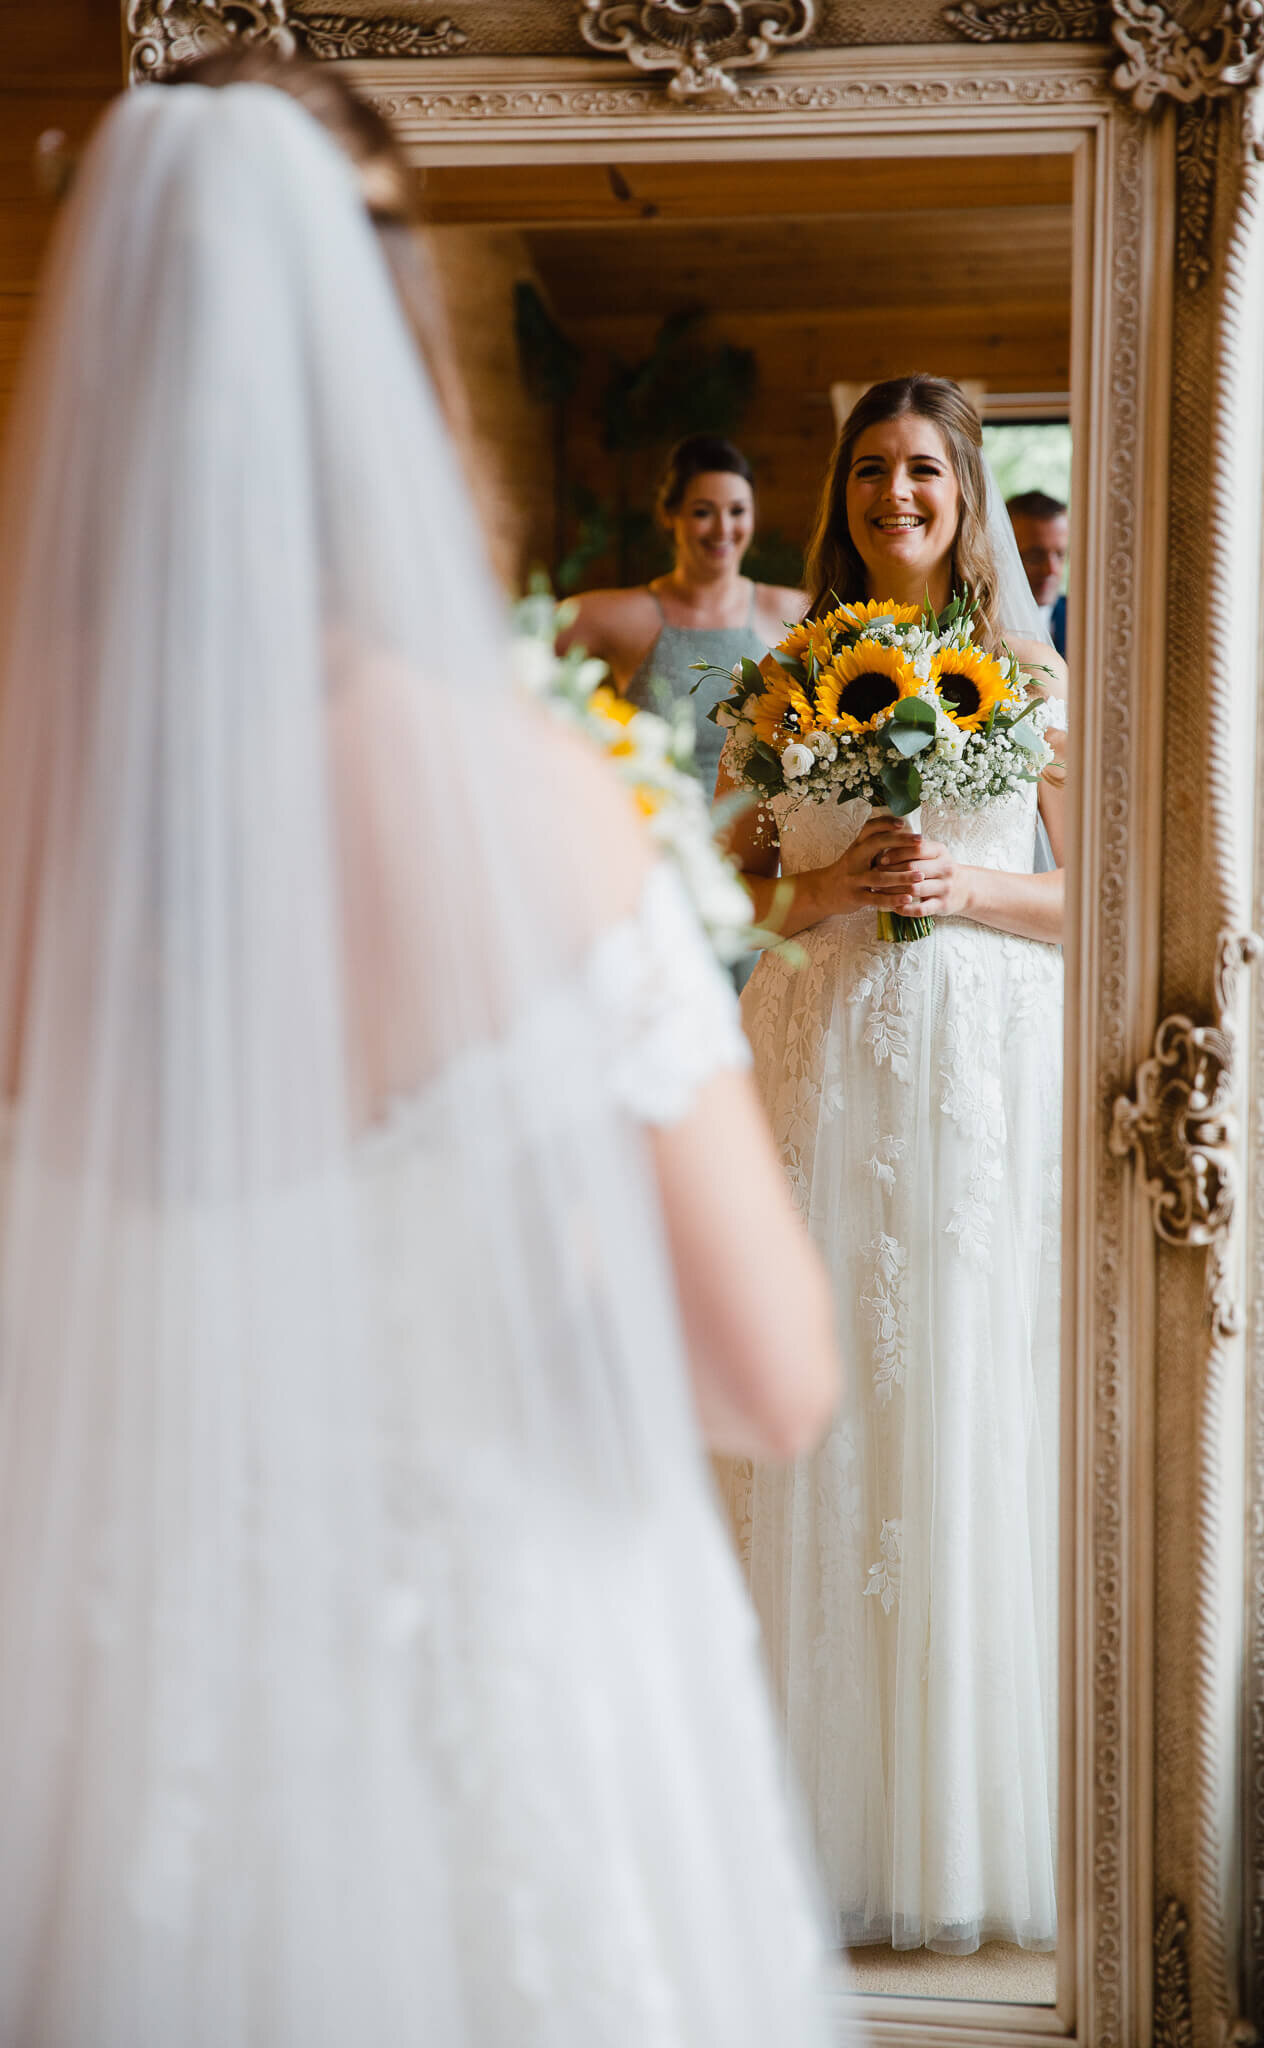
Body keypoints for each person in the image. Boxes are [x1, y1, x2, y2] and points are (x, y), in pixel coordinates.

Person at [0, 64, 843, 2047]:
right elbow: (769, 1376)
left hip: (112, 1717)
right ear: (391, 381)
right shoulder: (523, 802)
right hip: (490, 1689)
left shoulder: (24, 819)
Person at [717, 374, 1066, 1958]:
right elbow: (729, 916)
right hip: (825, 1074)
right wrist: (834, 888)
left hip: (969, 1085)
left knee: (959, 1414)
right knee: (835, 1416)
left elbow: (1110, 899)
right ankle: (801, 1823)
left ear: (967, 488)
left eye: (923, 468)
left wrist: (959, 890)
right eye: (870, 469)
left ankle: (962, 1825)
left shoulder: (1033, 673)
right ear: (840, 492)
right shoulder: (785, 682)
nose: (896, 494)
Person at [561, 436, 806, 797]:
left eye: (737, 511)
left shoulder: (792, 611)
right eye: (703, 512)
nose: (723, 529)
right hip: (656, 840)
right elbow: (519, 649)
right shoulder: (626, 615)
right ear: (669, 514)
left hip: (761, 847)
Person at [1006, 488, 1069, 657]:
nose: (1051, 569)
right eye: (1034, 556)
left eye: (1060, 555)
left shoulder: (1084, 620)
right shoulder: (974, 623)